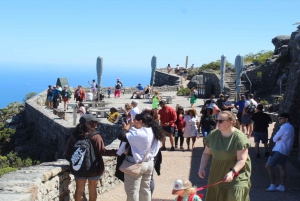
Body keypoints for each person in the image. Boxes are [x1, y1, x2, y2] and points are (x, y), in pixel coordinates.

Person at [198, 111, 251, 201]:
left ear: (231, 122)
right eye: (216, 120)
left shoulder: (239, 138)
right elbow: (207, 153)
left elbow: (242, 160)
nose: (217, 123)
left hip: (237, 173)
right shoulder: (213, 134)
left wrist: (232, 172)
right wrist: (202, 167)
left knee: (234, 197)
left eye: (220, 121)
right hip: (217, 172)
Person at [63, 114, 117, 201]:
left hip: (79, 169)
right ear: (90, 123)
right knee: (92, 189)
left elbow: (67, 154)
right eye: (95, 122)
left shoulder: (74, 136)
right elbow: (102, 151)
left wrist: (77, 162)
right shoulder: (96, 136)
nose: (97, 124)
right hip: (94, 169)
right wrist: (116, 152)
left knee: (79, 189)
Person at [118, 112, 162, 201]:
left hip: (135, 163)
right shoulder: (153, 130)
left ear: (141, 121)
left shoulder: (140, 133)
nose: (134, 122)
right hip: (149, 163)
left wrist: (126, 128)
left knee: (132, 191)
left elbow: (122, 136)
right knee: (145, 190)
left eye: (135, 120)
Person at [265, 113, 294, 192]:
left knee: (268, 166)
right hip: (286, 150)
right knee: (281, 167)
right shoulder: (291, 127)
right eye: (279, 118)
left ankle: (272, 184)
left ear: (286, 119)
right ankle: (282, 185)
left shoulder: (284, 127)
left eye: (281, 118)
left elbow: (274, 139)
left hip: (279, 149)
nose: (279, 120)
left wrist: (278, 138)